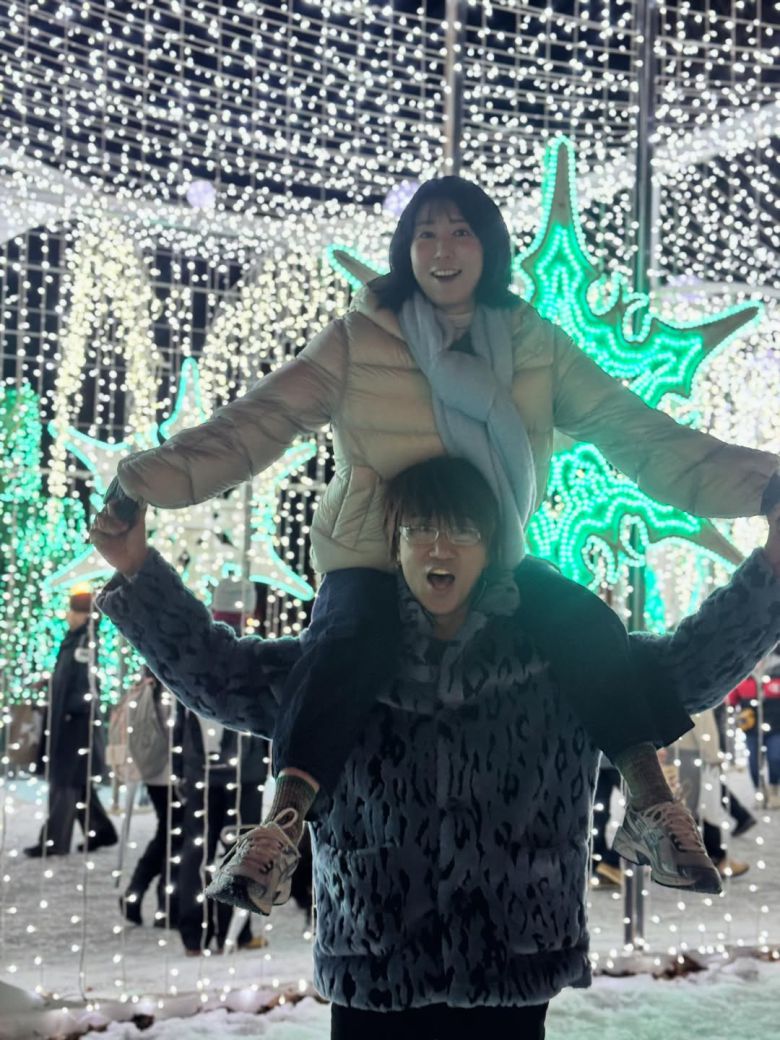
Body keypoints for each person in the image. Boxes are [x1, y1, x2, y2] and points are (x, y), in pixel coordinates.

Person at [95, 175, 780, 905]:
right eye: (425, 233)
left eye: (460, 232)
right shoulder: (359, 339)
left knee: (587, 623)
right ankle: (282, 828)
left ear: (490, 247)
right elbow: (256, 423)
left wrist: (764, 487)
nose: (442, 250)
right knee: (343, 646)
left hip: (495, 558)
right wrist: (144, 480)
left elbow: (637, 434)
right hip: (371, 560)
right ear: (405, 248)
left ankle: (649, 802)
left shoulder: (534, 344)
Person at [93, 456, 780, 1038]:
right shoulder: (341, 664)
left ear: (492, 546)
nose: (438, 549)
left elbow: (688, 667)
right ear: (394, 546)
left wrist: (773, 566)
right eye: (419, 530)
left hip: (513, 963)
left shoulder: (559, 660)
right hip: (375, 968)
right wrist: (137, 571)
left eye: (461, 531)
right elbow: (222, 677)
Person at [24, 587, 118, 858]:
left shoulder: (86, 641)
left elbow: (85, 684)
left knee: (64, 781)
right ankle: (101, 830)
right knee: (77, 781)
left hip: (74, 723)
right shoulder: (74, 639)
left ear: (82, 614)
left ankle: (54, 841)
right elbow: (70, 677)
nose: (67, 616)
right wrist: (50, 683)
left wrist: (72, 708)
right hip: (67, 719)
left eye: (72, 611)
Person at [116, 667, 181, 929]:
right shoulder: (172, 683)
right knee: (175, 836)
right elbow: (173, 730)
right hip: (171, 774)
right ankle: (163, 905)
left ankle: (138, 893)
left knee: (168, 833)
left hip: (154, 772)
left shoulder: (147, 683)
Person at [727, 647, 780, 807]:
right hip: (751, 728)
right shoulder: (743, 675)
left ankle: (774, 789)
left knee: (775, 757)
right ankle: (759, 791)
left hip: (776, 727)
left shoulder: (776, 673)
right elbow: (732, 699)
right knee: (754, 762)